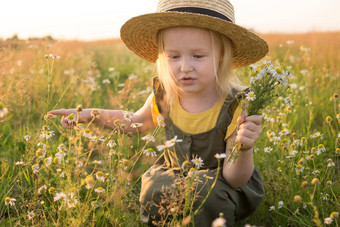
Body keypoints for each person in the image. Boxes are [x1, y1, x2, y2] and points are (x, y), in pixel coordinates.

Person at [49, 0, 269, 226]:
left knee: (204, 194)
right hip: (175, 175)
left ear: (222, 55)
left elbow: (234, 179)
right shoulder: (166, 96)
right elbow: (133, 122)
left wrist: (245, 147)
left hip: (219, 183)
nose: (184, 66)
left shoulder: (236, 106)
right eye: (173, 56)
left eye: (198, 56)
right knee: (155, 189)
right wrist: (88, 115)